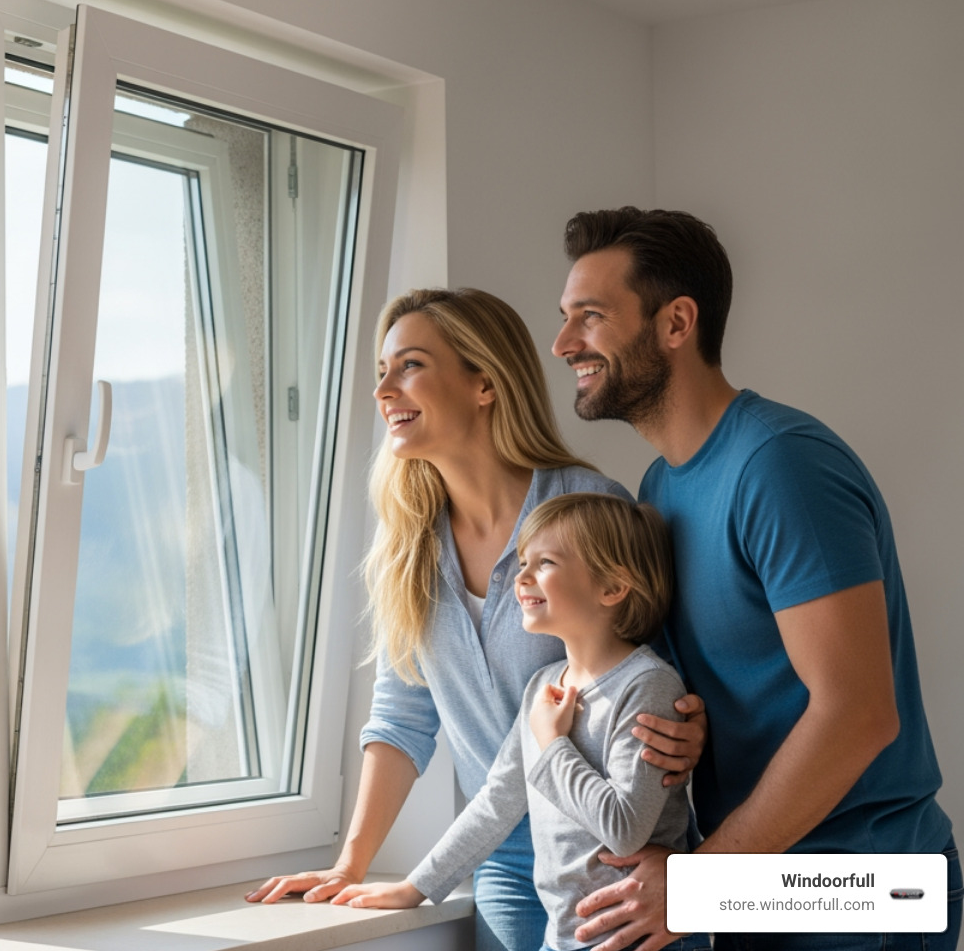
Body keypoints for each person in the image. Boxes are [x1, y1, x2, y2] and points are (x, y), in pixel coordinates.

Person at [246, 288, 705, 951]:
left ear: (484, 382)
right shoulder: (409, 545)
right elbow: (403, 718)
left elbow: (651, 675)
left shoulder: (587, 506)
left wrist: (687, 732)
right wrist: (351, 863)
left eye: (409, 366)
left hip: (613, 852)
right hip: (502, 860)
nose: (384, 392)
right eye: (381, 372)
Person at [552, 207, 959, 951]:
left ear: (676, 324)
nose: (563, 343)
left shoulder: (781, 465)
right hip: (754, 888)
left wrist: (699, 884)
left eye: (591, 317)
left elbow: (860, 713)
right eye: (564, 318)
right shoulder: (659, 488)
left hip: (860, 888)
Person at [329, 492, 712, 951]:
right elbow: (498, 801)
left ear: (612, 588)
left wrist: (552, 746)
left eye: (544, 562)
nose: (520, 575)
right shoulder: (543, 688)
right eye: (522, 561)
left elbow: (624, 830)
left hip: (643, 940)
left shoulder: (646, 686)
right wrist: (416, 888)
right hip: (566, 940)